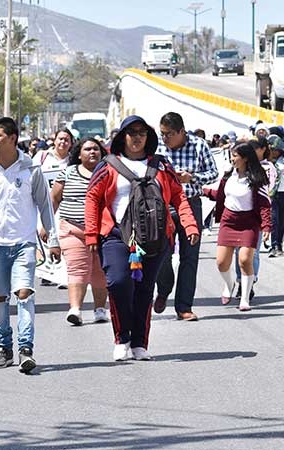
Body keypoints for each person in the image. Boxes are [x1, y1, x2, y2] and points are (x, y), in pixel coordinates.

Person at [85, 115, 199, 361]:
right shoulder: (107, 165)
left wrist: (189, 225)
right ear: (122, 137)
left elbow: (178, 197)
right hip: (116, 235)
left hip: (155, 237)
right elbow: (93, 198)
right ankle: (121, 337)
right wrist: (91, 234)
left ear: (148, 137)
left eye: (142, 132)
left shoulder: (162, 165)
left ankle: (139, 343)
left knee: (144, 291)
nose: (137, 137)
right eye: (131, 132)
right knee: (118, 283)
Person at [0, 117, 60, 374]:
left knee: (24, 293)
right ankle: (4, 347)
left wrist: (52, 239)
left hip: (24, 243)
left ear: (12, 138)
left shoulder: (31, 169)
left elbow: (45, 204)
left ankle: (26, 349)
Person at [154, 112, 218, 321]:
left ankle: (184, 306)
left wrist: (192, 178)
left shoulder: (199, 145)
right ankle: (164, 289)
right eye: (162, 134)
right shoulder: (157, 147)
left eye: (169, 134)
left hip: (190, 204)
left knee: (189, 257)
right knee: (161, 254)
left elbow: (213, 172)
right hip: (163, 206)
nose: (165, 139)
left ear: (181, 131)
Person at [203, 142, 271, 311]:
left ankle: (245, 298)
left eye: (235, 156)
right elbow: (220, 195)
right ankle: (229, 285)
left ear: (245, 158)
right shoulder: (228, 176)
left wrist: (267, 226)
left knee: (245, 259)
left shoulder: (257, 178)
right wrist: (203, 190)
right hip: (228, 221)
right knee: (221, 262)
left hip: (249, 223)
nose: (232, 159)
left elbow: (264, 204)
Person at [50, 138, 109, 326]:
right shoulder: (67, 173)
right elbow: (54, 199)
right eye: (88, 149)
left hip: (102, 232)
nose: (93, 152)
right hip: (73, 230)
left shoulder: (108, 173)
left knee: (100, 272)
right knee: (78, 269)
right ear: (79, 153)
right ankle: (75, 309)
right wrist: (47, 227)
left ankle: (100, 309)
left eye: (96, 149)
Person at [33, 128, 74, 288]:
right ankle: (48, 272)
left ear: (71, 144)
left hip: (65, 204)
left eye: (66, 140)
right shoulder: (42, 157)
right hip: (43, 203)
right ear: (54, 140)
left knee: (64, 237)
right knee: (46, 236)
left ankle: (64, 275)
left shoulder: (73, 161)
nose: (63, 142)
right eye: (60, 139)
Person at [267, 135, 284, 257]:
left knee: (282, 220)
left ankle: (279, 244)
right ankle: (274, 245)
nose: (274, 152)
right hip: (272, 194)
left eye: (276, 150)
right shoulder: (267, 161)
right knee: (274, 220)